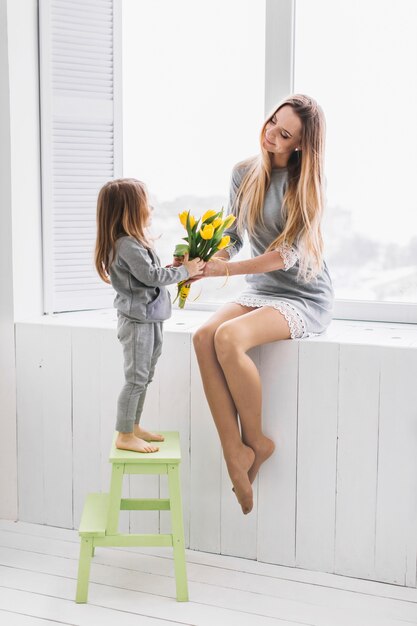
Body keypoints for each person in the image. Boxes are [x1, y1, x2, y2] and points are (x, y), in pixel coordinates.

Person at [193, 94, 334, 514]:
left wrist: (226, 274)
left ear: (300, 146)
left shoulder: (305, 184)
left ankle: (257, 442)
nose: (271, 133)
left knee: (229, 338)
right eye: (273, 122)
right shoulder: (243, 173)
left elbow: (285, 256)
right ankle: (233, 449)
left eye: (284, 133)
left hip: (302, 294)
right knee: (204, 337)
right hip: (262, 289)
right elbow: (233, 237)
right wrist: (204, 262)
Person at [94, 178, 205, 453]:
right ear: (130, 210)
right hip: (137, 323)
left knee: (145, 376)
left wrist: (175, 268)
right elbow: (151, 276)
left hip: (150, 318)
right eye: (146, 203)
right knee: (135, 379)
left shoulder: (134, 243)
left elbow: (147, 277)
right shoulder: (126, 245)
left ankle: (133, 425)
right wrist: (185, 271)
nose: (151, 207)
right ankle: (124, 434)